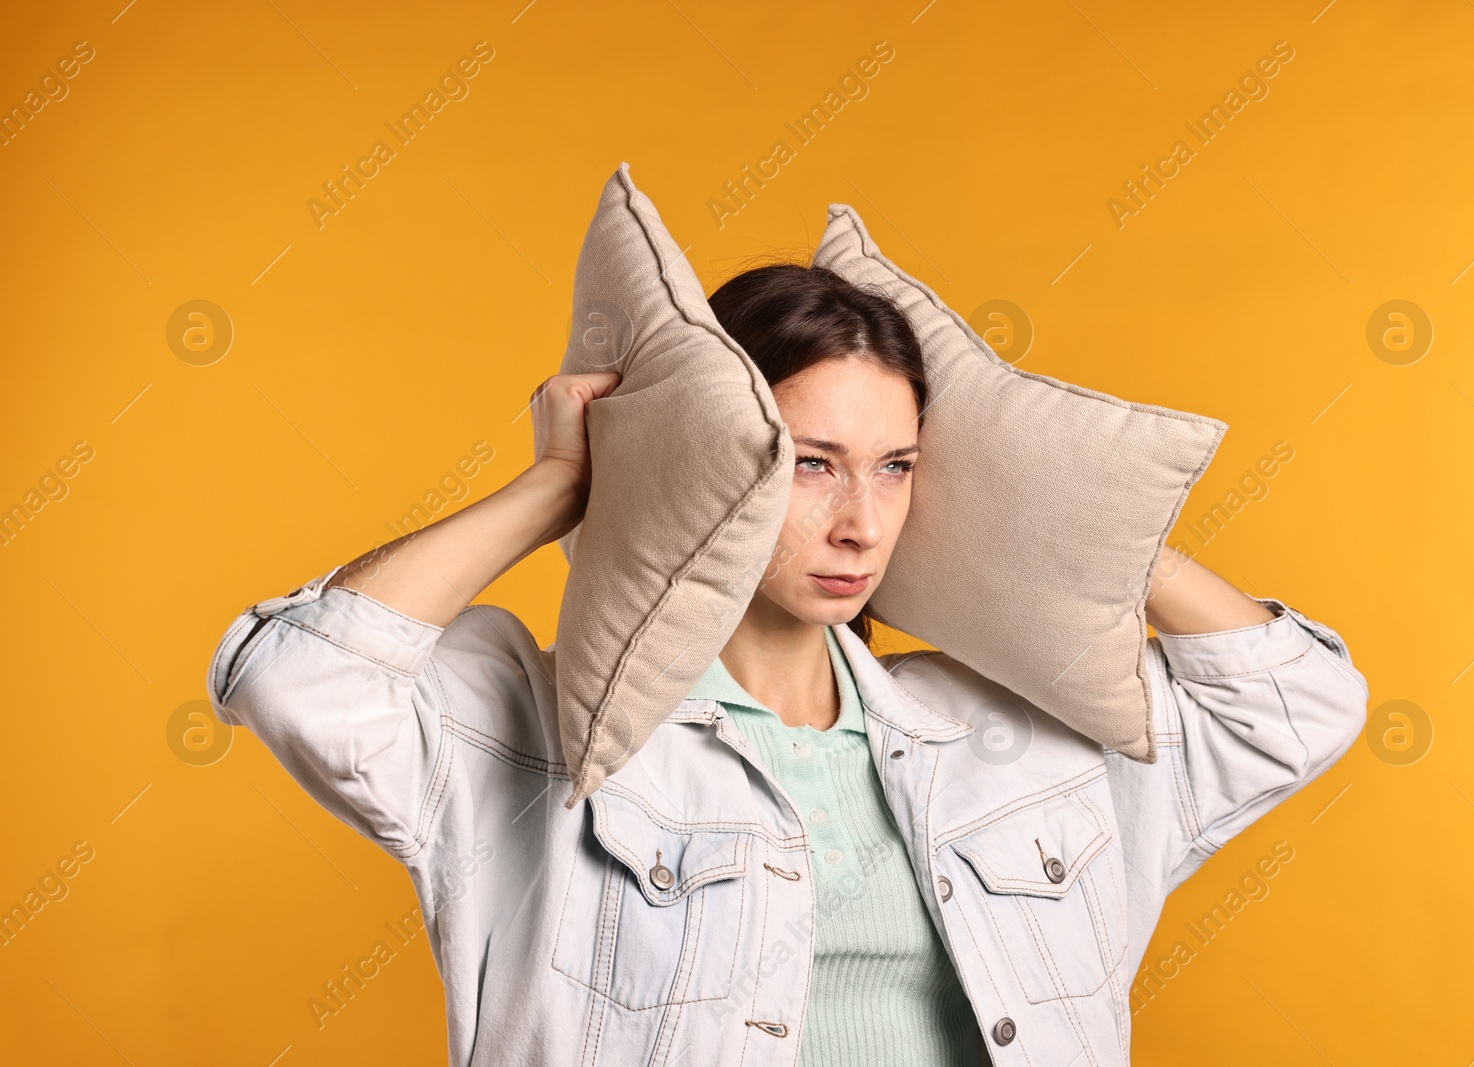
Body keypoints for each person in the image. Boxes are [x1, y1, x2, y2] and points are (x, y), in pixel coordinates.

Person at [206, 264, 1369, 1066]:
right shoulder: (549, 731)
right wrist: (560, 486)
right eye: (810, 464)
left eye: (897, 466)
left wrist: (1076, 525)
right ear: (712, 460)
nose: (862, 521)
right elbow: (295, 678)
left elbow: (1294, 702)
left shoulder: (1018, 738)